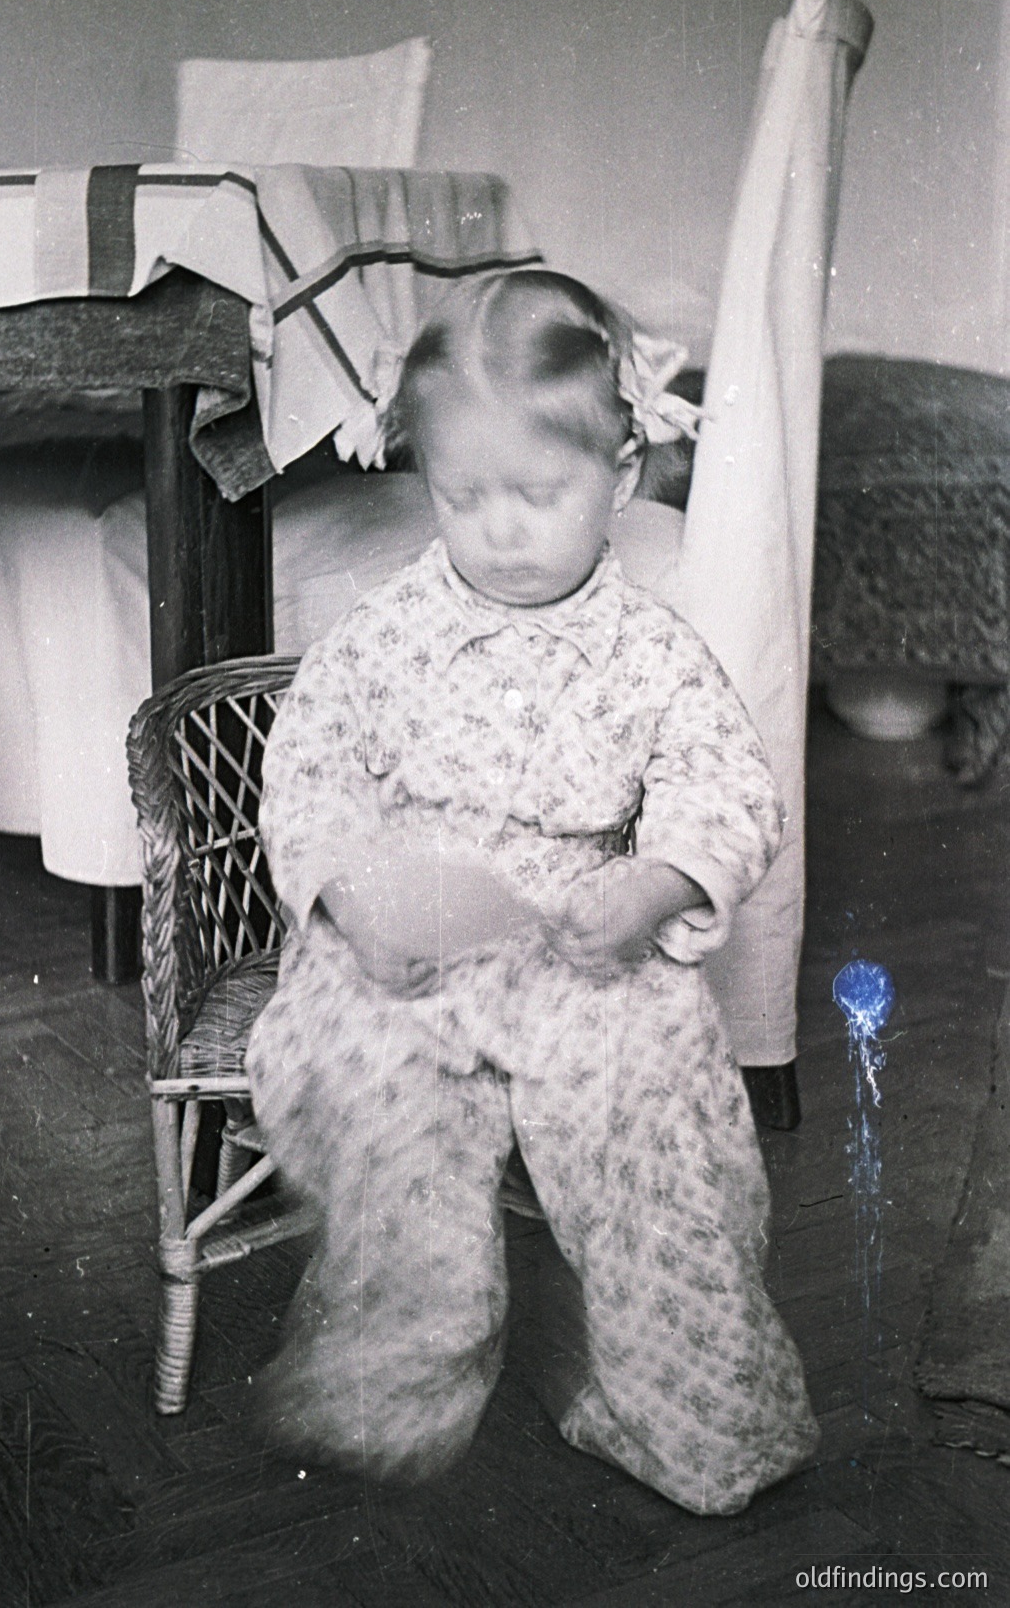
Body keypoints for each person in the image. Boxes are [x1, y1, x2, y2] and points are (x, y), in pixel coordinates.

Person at [245, 268, 818, 1515]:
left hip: (579, 931)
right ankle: (395, 1367)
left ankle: (683, 1409)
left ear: (619, 481)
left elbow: (728, 786)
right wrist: (347, 894)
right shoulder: (386, 633)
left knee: (660, 1128)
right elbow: (310, 764)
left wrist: (656, 882)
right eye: (463, 496)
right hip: (412, 920)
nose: (500, 530)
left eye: (539, 496)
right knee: (371, 1091)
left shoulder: (655, 652)